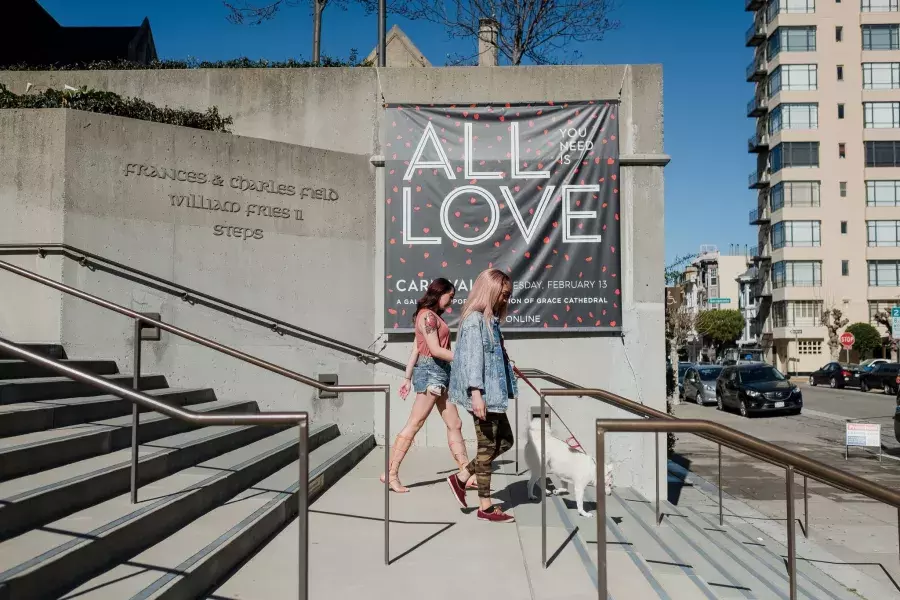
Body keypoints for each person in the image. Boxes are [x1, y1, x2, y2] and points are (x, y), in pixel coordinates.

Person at [381, 278, 475, 493]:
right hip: (433, 373)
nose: (451, 302)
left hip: (441, 373)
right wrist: (466, 359)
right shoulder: (427, 317)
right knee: (415, 423)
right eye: (449, 296)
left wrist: (407, 377)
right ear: (439, 292)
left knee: (455, 423)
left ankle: (465, 474)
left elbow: (416, 348)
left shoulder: (431, 317)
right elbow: (434, 350)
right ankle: (390, 473)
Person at [445, 268, 518, 523]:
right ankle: (485, 507)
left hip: (494, 394)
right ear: (491, 291)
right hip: (483, 395)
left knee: (506, 441)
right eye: (503, 294)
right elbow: (472, 361)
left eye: (508, 295)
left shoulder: (490, 321)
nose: (505, 300)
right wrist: (476, 394)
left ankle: (462, 477)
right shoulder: (475, 321)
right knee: (487, 449)